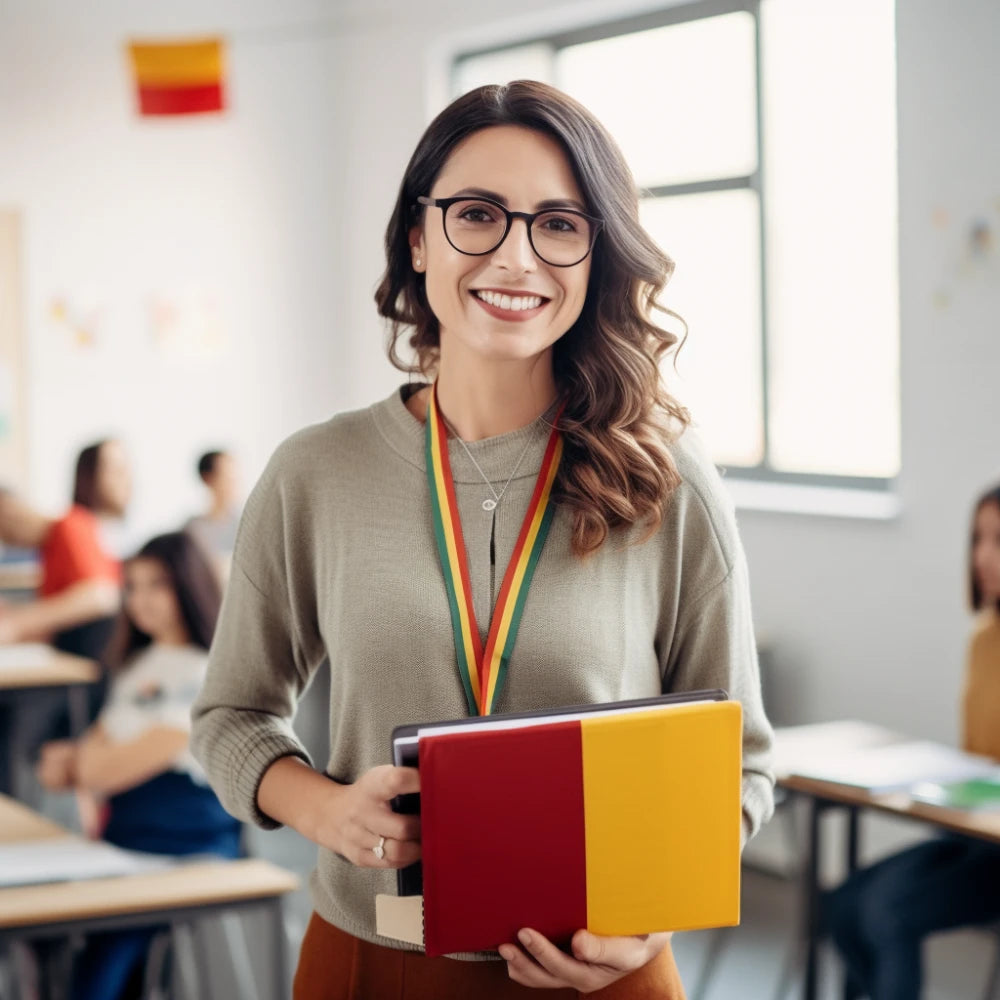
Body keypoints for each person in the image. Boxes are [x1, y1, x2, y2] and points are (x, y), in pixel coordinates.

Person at [191, 80, 774, 1000]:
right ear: (417, 238)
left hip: (604, 974)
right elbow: (229, 716)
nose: (516, 256)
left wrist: (650, 918)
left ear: (596, 255)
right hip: (373, 963)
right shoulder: (315, 473)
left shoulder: (669, 476)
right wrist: (325, 810)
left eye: (558, 224)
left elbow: (741, 765)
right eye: (477, 215)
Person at [36, 531, 240, 1000]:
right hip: (126, 839)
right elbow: (94, 752)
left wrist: (83, 764)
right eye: (132, 586)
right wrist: (86, 763)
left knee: (103, 956)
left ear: (188, 585)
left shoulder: (207, 670)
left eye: (157, 585)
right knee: (60, 942)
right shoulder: (138, 664)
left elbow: (99, 767)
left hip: (182, 844)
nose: (141, 600)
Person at [824, 483, 1000, 1000]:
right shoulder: (984, 639)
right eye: (977, 539)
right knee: (843, 905)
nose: (982, 556)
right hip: (973, 837)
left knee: (887, 912)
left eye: (998, 540)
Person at [0, 440, 130, 662]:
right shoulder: (46, 550)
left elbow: (101, 595)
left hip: (95, 659)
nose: (8, 538)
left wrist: (17, 623)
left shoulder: (70, 524)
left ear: (11, 509)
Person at [184, 450, 241, 579]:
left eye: (235, 477)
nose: (234, 484)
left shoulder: (246, 525)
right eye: (227, 477)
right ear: (207, 479)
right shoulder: (192, 530)